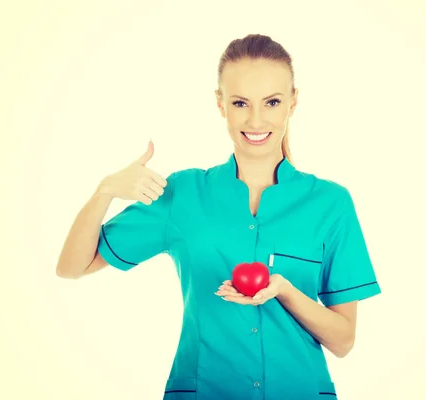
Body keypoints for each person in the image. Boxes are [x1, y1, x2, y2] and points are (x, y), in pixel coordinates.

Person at [56, 33, 382, 400]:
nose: (257, 120)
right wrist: (105, 191)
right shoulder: (184, 194)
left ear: (293, 103)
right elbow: (72, 267)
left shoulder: (330, 203)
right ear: (220, 104)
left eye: (272, 102)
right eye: (241, 102)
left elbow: (344, 341)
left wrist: (285, 290)